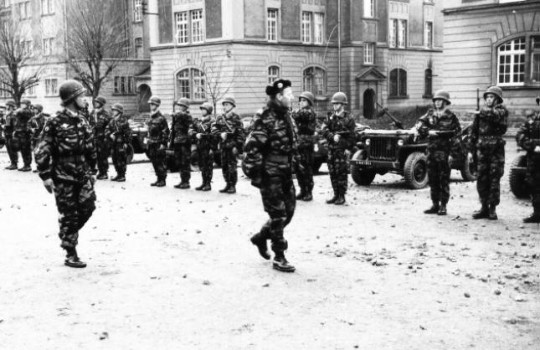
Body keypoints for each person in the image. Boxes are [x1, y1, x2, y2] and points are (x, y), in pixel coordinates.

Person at [34, 80, 97, 268]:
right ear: (72, 99)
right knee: (69, 214)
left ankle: (67, 233)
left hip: (83, 174)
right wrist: (45, 175)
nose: (85, 100)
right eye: (81, 96)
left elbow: (90, 147)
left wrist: (93, 171)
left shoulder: (82, 120)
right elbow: (42, 148)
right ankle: (70, 252)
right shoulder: (54, 121)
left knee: (88, 207)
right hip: (63, 176)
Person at [244, 79, 298, 273]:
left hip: (285, 171)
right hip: (270, 172)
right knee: (278, 215)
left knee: (289, 212)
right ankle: (279, 256)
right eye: (289, 94)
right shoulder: (265, 117)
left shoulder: (286, 115)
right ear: (279, 96)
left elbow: (292, 143)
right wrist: (256, 175)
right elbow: (252, 148)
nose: (292, 97)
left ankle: (260, 237)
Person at [416, 90, 461, 215]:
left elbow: (457, 137)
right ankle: (435, 204)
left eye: (440, 100)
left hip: (444, 152)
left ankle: (443, 205)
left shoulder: (451, 117)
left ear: (445, 102)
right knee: (432, 178)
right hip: (431, 151)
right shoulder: (430, 114)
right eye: (436, 100)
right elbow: (419, 125)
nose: (438, 103)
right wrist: (427, 132)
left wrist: (452, 154)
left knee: (444, 179)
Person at [469, 86, 508, 220]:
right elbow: (474, 131)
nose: (489, 99)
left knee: (494, 178)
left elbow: (494, 116)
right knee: (481, 178)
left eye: (492, 97)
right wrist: (471, 149)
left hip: (495, 151)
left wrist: (480, 112)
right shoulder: (480, 114)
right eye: (487, 97)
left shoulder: (502, 111)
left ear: (497, 99)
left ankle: (492, 208)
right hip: (482, 151)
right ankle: (484, 207)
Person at [320, 92, 356, 205]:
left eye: (337, 103)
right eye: (334, 103)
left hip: (341, 150)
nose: (334, 105)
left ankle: (342, 196)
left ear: (342, 104)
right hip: (331, 149)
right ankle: (336, 194)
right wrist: (332, 136)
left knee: (341, 173)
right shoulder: (330, 116)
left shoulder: (349, 118)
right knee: (332, 173)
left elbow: (352, 136)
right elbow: (324, 129)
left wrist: (347, 148)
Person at [211, 96, 244, 194]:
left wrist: (238, 147)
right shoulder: (220, 117)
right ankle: (227, 184)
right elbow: (214, 128)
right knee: (224, 165)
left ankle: (232, 185)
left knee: (232, 166)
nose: (225, 107)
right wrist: (219, 134)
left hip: (232, 145)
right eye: (224, 105)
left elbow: (241, 133)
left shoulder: (236, 117)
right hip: (223, 145)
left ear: (232, 106)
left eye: (227, 105)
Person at [516, 105, 540, 223]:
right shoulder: (532, 120)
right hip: (534, 159)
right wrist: (533, 146)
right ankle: (537, 213)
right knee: (535, 185)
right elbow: (520, 135)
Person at [292, 91, 318, 201]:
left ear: (309, 102)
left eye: (304, 100)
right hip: (299, 143)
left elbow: (297, 115)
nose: (301, 102)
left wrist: (292, 111)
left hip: (307, 144)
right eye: (300, 101)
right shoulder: (302, 112)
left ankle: (308, 192)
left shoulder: (310, 112)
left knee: (306, 169)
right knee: (299, 169)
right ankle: (302, 190)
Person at [191, 102, 215, 191]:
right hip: (200, 146)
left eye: (204, 109)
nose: (202, 111)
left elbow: (214, 135)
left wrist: (212, 148)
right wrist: (196, 134)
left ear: (208, 111)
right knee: (202, 165)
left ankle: (208, 184)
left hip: (208, 147)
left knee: (208, 166)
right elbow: (192, 130)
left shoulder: (212, 122)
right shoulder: (200, 121)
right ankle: (204, 182)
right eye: (201, 109)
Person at [146, 96, 170, 187]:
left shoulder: (161, 118)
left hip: (158, 143)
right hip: (152, 142)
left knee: (160, 161)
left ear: (157, 105)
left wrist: (163, 144)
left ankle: (162, 179)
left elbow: (165, 131)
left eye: (153, 104)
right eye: (150, 104)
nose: (151, 106)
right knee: (154, 162)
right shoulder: (151, 117)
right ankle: (158, 178)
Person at [170, 98, 193, 189]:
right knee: (179, 161)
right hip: (177, 142)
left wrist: (174, 114)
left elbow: (182, 116)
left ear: (185, 107)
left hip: (184, 142)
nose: (179, 107)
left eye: (181, 106)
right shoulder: (178, 116)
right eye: (178, 106)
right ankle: (182, 180)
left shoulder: (187, 115)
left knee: (185, 162)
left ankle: (186, 181)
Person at [106, 103, 132, 182]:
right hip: (114, 143)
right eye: (113, 110)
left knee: (121, 159)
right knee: (115, 159)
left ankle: (122, 175)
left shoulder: (123, 120)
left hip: (121, 143)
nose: (113, 111)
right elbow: (107, 129)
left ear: (119, 111)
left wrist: (126, 142)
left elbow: (128, 132)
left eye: (115, 110)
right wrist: (109, 134)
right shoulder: (112, 121)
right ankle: (118, 174)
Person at [90, 96, 112, 179]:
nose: (96, 103)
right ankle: (100, 171)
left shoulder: (106, 114)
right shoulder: (92, 113)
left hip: (103, 139)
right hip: (94, 138)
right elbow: (90, 124)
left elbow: (110, 126)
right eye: (95, 102)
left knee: (103, 156)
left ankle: (104, 172)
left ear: (101, 104)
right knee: (97, 156)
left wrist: (107, 136)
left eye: (97, 102)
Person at [12, 99, 34, 171]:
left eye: (24, 103)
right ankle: (25, 164)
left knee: (26, 149)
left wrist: (17, 110)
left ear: (27, 104)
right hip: (20, 132)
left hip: (25, 133)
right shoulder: (22, 111)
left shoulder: (28, 111)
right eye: (22, 103)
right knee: (22, 149)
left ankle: (28, 165)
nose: (22, 104)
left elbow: (20, 112)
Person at [3, 100, 18, 169]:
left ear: (10, 106)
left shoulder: (13, 114)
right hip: (7, 133)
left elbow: (15, 125)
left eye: (7, 105)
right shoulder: (8, 114)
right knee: (9, 149)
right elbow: (7, 124)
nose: (6, 106)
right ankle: (12, 163)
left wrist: (14, 133)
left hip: (11, 134)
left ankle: (14, 164)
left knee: (12, 149)